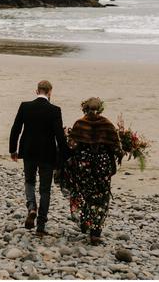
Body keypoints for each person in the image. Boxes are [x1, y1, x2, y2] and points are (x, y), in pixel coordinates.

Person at [57, 97, 122, 245]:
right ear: (100, 109)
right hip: (102, 165)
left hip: (83, 166)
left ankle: (85, 221)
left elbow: (72, 146)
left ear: (84, 109)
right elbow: (117, 148)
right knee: (102, 197)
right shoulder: (107, 124)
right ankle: (96, 232)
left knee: (85, 194)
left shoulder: (80, 124)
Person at [9, 80, 70, 236]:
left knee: (29, 181)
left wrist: (13, 150)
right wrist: (67, 155)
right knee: (45, 190)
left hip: (28, 151)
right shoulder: (55, 110)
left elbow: (16, 128)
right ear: (50, 92)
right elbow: (59, 136)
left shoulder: (25, 106)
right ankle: (41, 226)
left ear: (37, 91)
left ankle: (31, 208)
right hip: (47, 154)